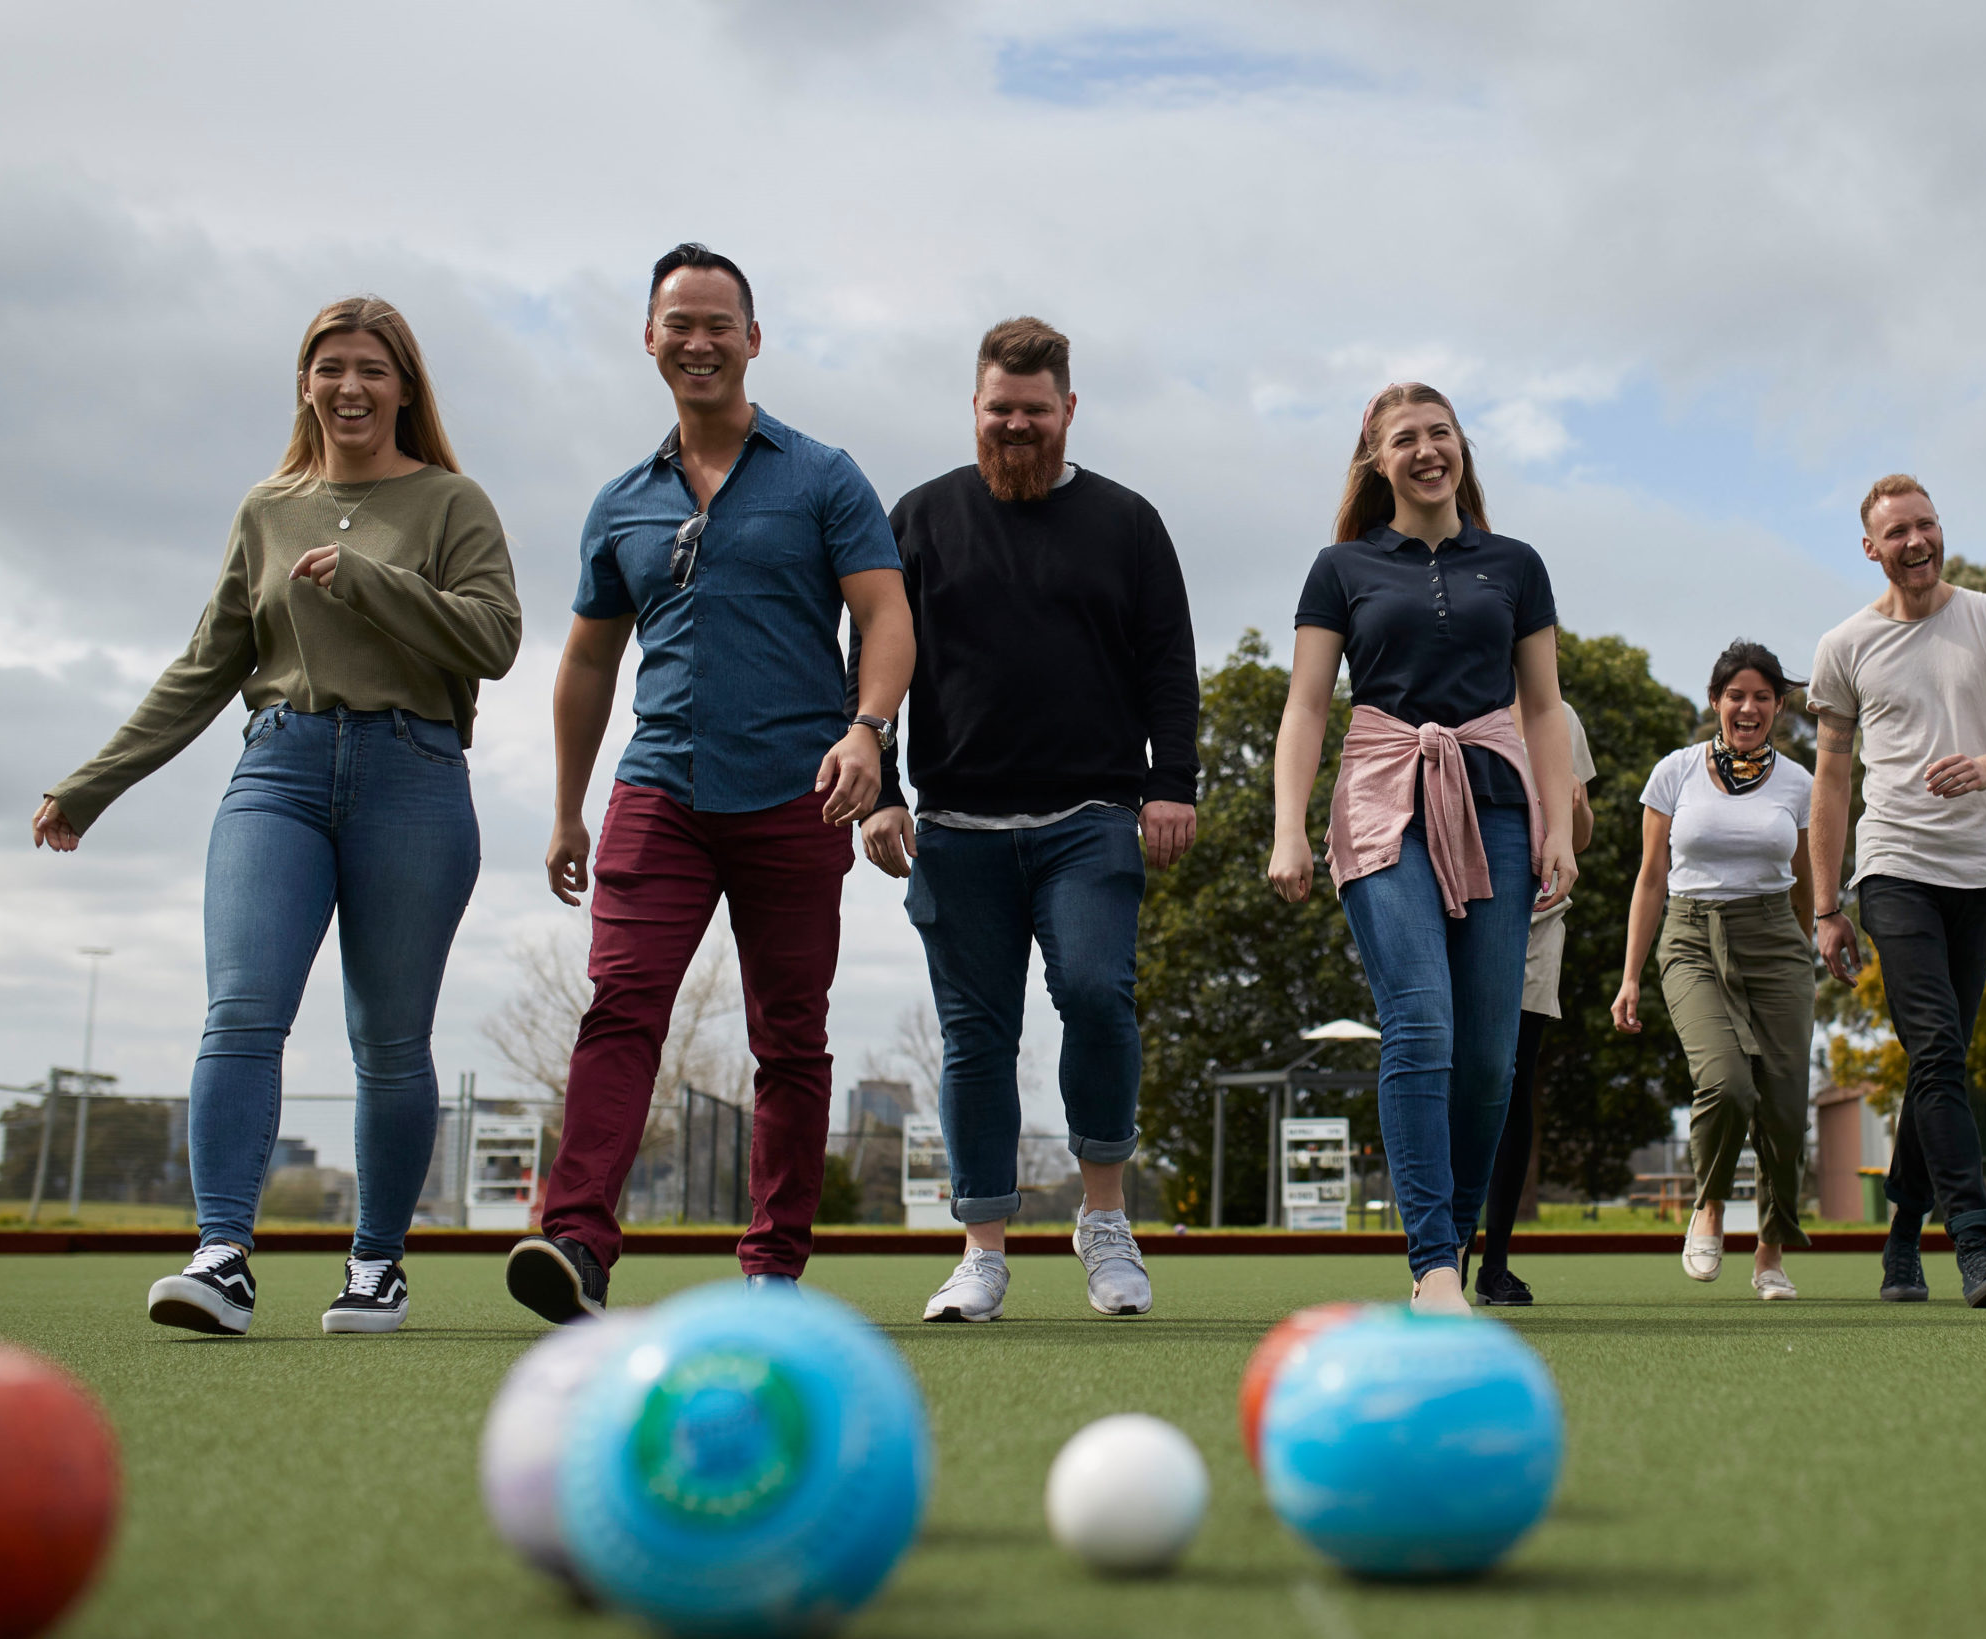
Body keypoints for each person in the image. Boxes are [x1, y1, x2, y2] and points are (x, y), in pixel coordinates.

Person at [35, 296, 521, 1336]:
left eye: (371, 370)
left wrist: (369, 583)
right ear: (305, 382)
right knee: (244, 1009)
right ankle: (221, 1257)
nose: (350, 387)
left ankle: (376, 1267)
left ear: (404, 388)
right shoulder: (266, 510)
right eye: (329, 367)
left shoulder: (452, 502)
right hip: (279, 773)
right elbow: (206, 664)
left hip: (414, 775)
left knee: (389, 1040)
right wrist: (92, 782)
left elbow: (493, 641)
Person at [504, 244, 913, 1322]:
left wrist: (869, 733)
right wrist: (565, 808)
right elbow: (588, 662)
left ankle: (773, 1269)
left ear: (752, 339)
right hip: (659, 793)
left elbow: (884, 615)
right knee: (620, 1008)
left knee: (790, 1036)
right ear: (649, 339)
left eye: (717, 323)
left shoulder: (822, 475)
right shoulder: (620, 504)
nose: (697, 340)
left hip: (796, 793)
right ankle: (575, 1245)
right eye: (676, 322)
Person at [858, 318, 1197, 1323]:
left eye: (1034, 412)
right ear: (974, 409)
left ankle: (1103, 1222)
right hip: (956, 825)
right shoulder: (917, 518)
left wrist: (1170, 782)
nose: (1015, 426)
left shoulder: (1128, 524)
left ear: (1068, 412)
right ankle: (982, 1249)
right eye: (998, 410)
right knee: (974, 1037)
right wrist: (878, 790)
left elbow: (1168, 667)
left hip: (1089, 815)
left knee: (1096, 993)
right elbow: (872, 660)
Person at [1268, 383, 1578, 1315]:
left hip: (1497, 805)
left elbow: (1543, 707)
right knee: (1421, 1020)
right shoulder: (1340, 568)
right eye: (1405, 439)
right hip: (1381, 801)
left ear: (1462, 447)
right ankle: (1434, 1262)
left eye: (1440, 433)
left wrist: (1559, 825)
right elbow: (1309, 704)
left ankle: (1457, 1235)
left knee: (1490, 1058)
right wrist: (1289, 826)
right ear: (1375, 459)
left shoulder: (1515, 564)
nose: (1427, 450)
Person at [1809, 474, 1986, 1308]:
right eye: (1897, 532)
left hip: (1983, 869)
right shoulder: (1845, 646)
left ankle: (1902, 1238)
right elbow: (1832, 783)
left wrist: (1983, 766)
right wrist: (1826, 905)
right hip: (1894, 867)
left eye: (1926, 526)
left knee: (1936, 1059)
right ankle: (1976, 1242)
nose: (1915, 542)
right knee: (1940, 1050)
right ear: (1870, 548)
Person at [1612, 642, 1817, 1300]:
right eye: (1736, 695)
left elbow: (1808, 885)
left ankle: (1771, 1253)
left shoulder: (1800, 783)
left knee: (1784, 1107)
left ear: (1779, 707)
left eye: (1762, 696)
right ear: (1716, 702)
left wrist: (1805, 948)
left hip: (1776, 940)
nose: (1748, 707)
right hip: (1692, 936)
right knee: (1727, 1084)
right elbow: (1650, 880)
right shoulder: (1674, 773)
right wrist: (1630, 974)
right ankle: (1708, 1207)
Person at [1469, 704, 1595, 1306]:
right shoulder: (1460, 696)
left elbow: (1582, 837)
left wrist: (1578, 810)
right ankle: (1442, 1255)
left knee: (1511, 1087)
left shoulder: (1561, 718)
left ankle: (1495, 1264)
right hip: (1461, 914)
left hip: (1539, 927)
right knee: (1454, 1083)